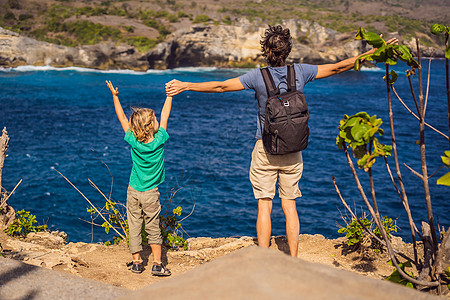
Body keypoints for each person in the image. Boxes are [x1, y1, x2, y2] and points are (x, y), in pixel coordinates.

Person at [165, 25, 397, 257]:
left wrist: (186, 86)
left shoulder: (257, 76)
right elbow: (339, 67)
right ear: (287, 50)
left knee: (264, 205)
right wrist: (373, 53)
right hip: (293, 149)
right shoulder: (301, 72)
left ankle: (265, 259)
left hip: (265, 148)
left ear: (266, 51)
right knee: (289, 205)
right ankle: (293, 259)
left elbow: (220, 86)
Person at [106, 80, 172, 275]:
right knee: (153, 227)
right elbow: (166, 114)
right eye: (155, 119)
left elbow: (122, 119)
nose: (158, 120)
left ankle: (136, 262)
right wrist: (170, 95)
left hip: (133, 190)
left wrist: (115, 97)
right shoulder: (159, 139)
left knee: (134, 224)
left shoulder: (133, 139)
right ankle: (157, 264)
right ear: (151, 126)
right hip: (151, 193)